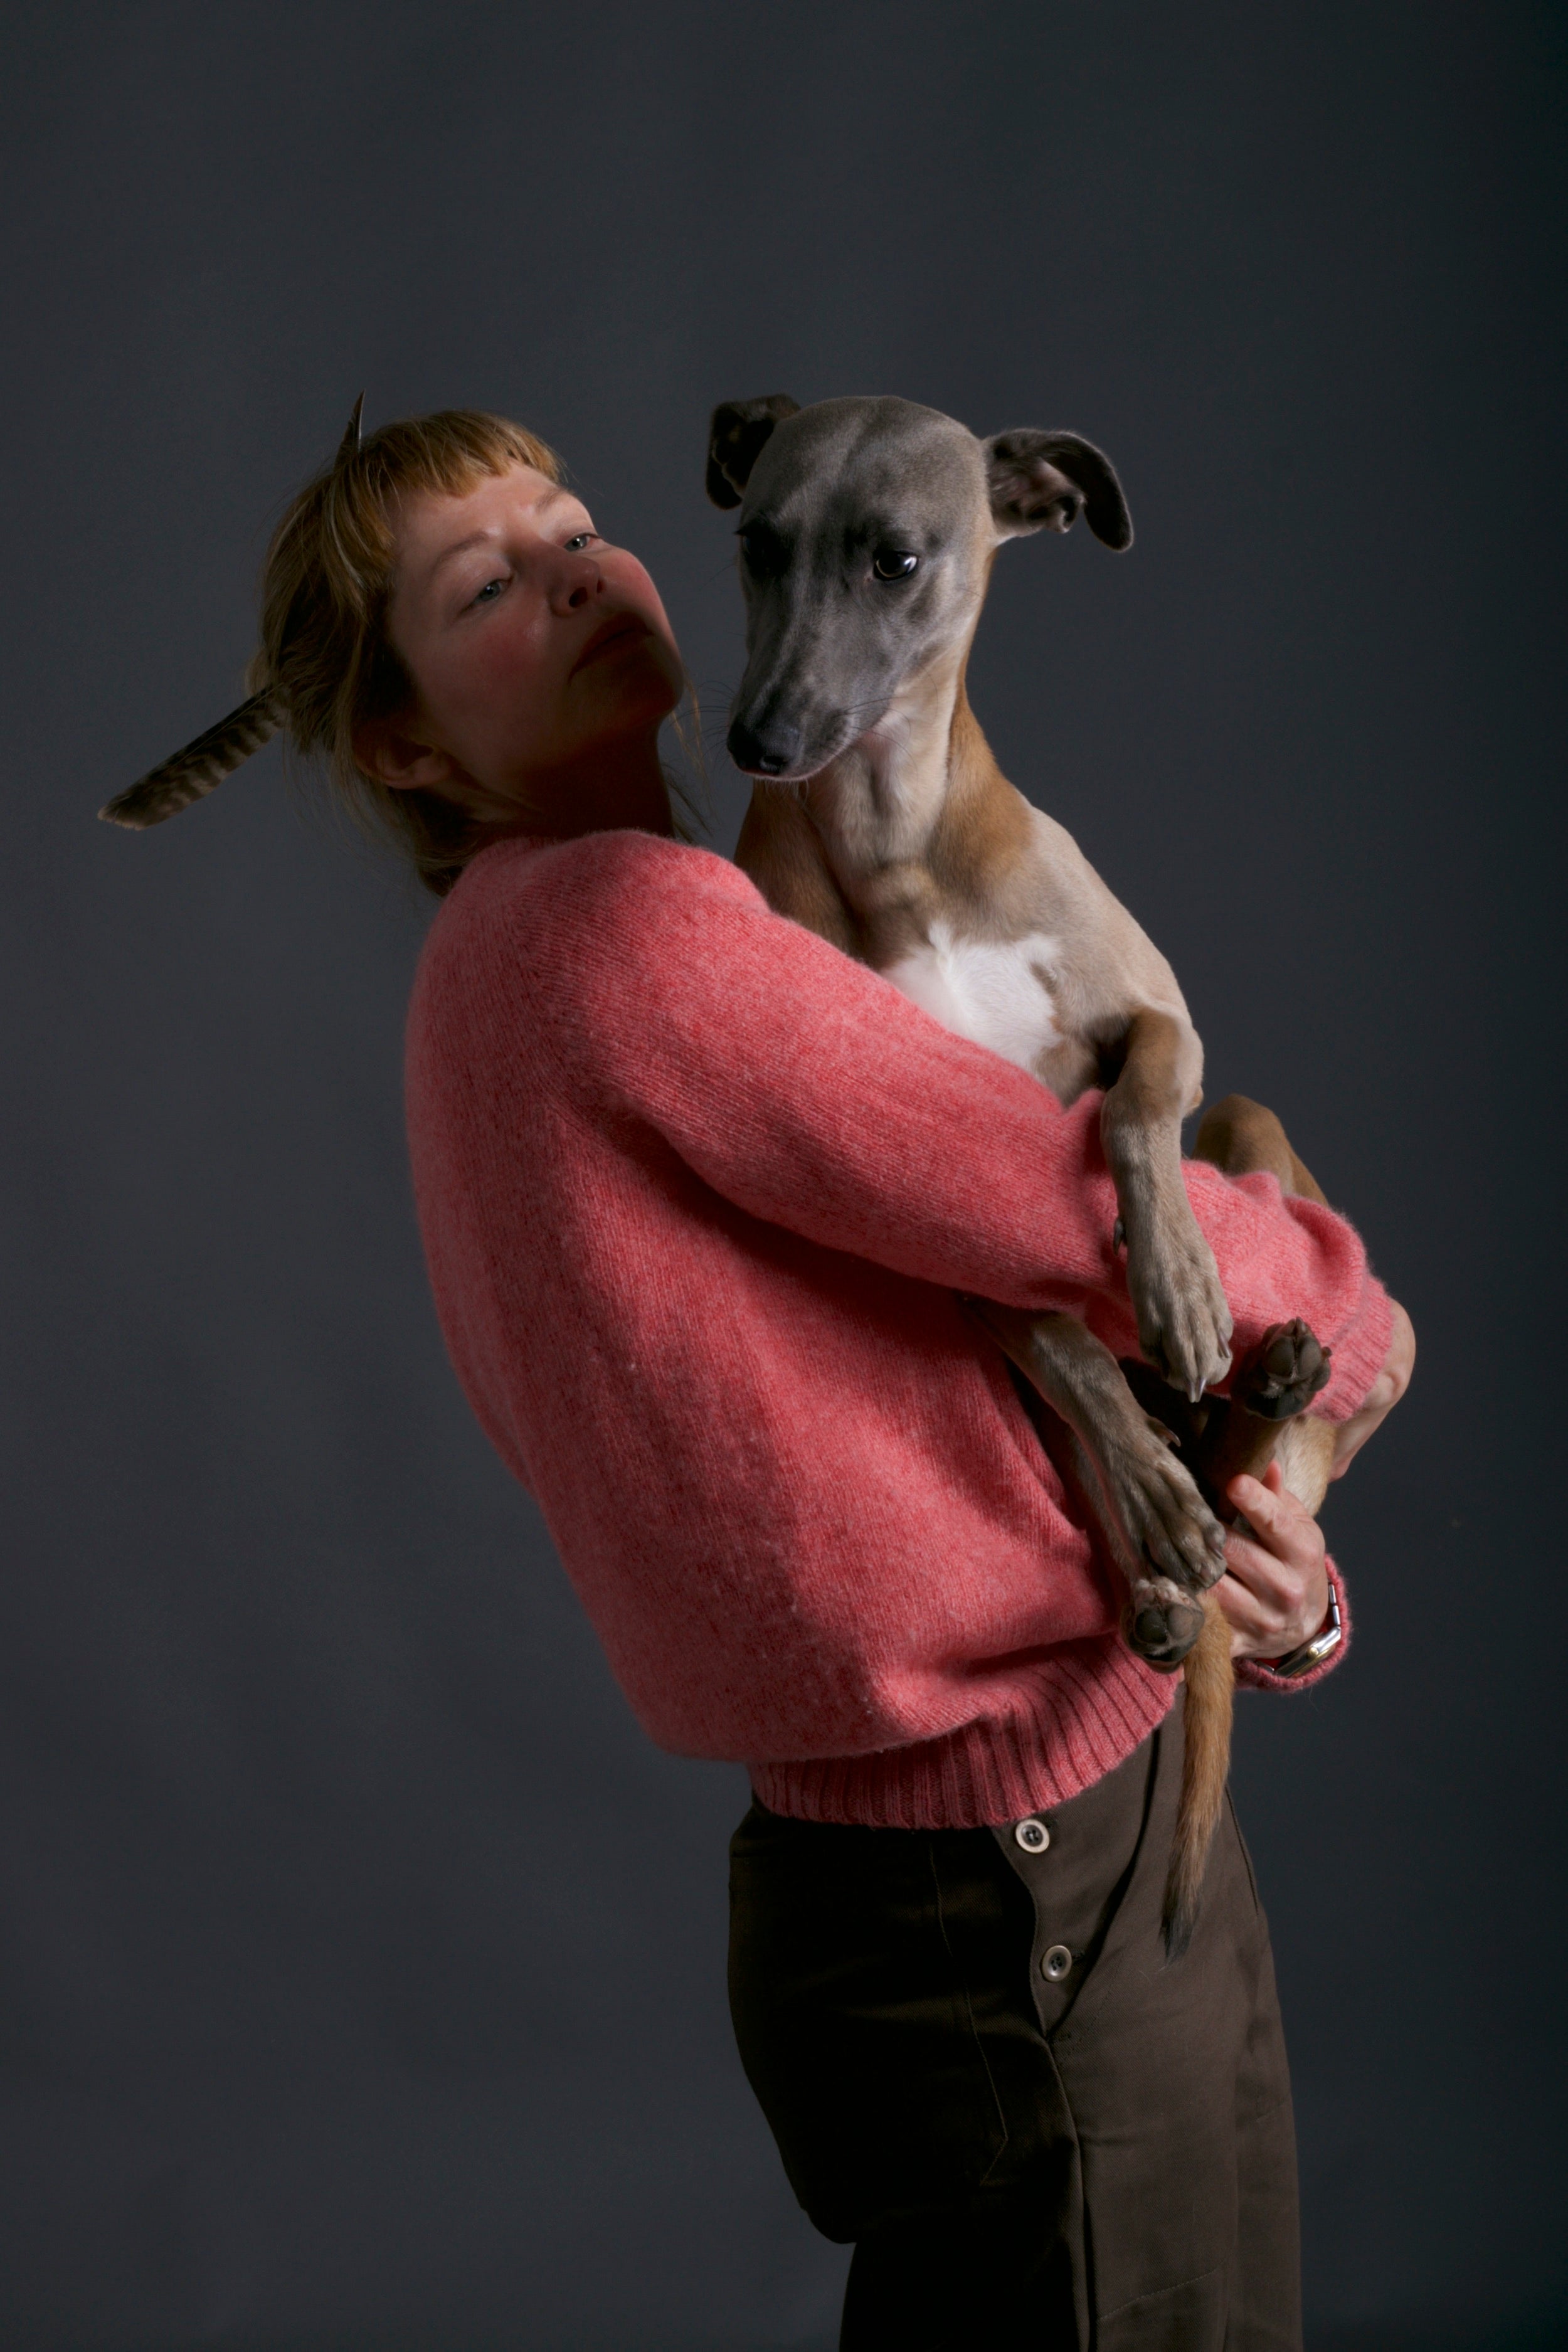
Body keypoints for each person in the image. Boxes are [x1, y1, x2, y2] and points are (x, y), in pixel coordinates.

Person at [114, 407, 1412, 2349]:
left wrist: (1275, 1573)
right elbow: (1086, 1237)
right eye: (486, 588)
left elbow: (929, 1362)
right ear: (403, 744)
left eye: (570, 529)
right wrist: (1348, 1306)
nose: (567, 574)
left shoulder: (507, 958)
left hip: (925, 1860)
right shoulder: (640, 937)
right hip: (1012, 1875)